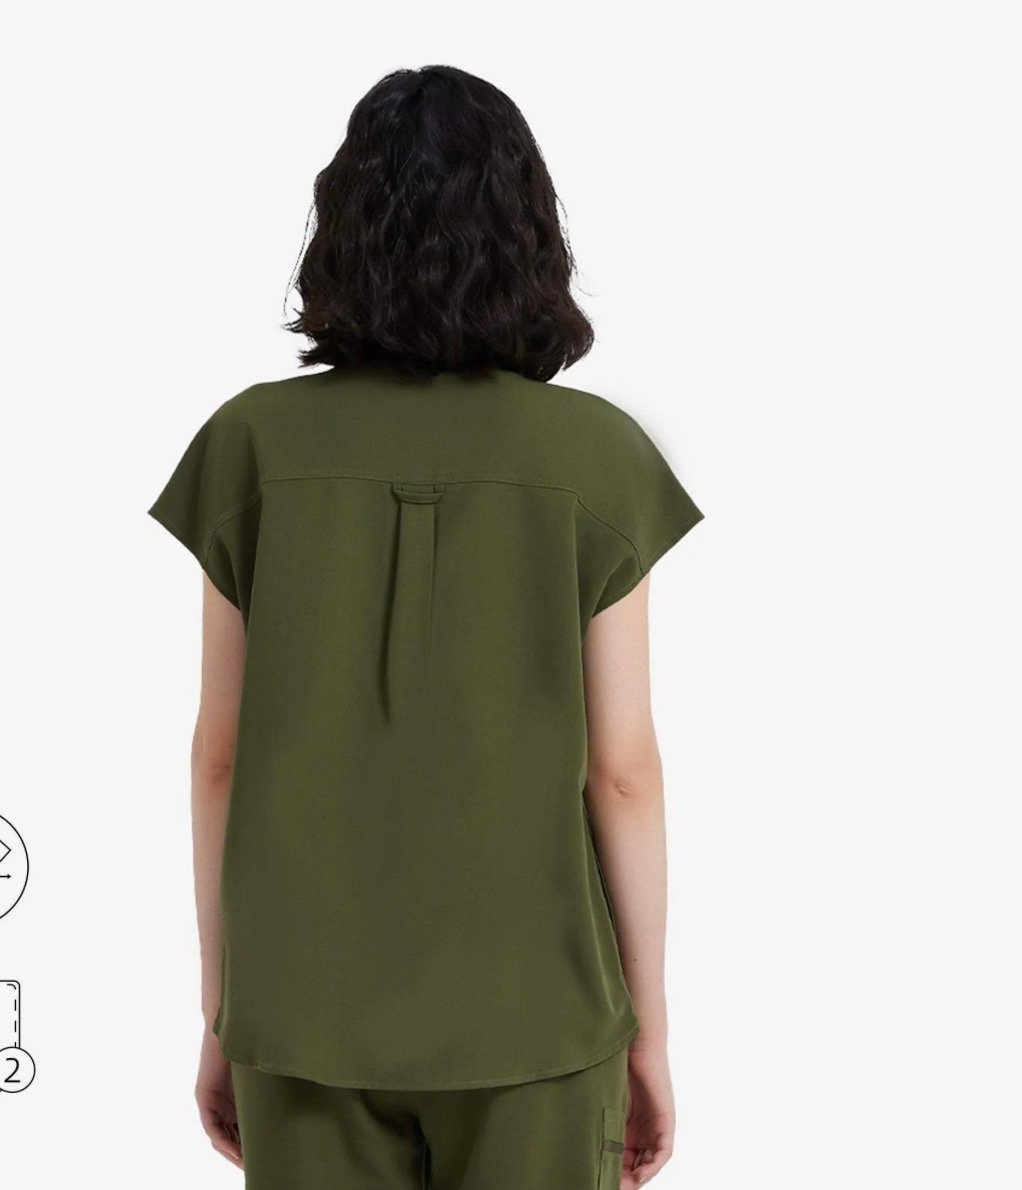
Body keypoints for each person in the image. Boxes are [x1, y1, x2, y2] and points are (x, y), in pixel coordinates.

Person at [149, 64, 703, 1190]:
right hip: (539, 1011)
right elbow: (622, 771)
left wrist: (223, 1011)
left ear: (343, 228)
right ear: (528, 233)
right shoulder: (594, 456)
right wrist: (647, 1030)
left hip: (300, 1008)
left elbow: (219, 758)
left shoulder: (253, 445)